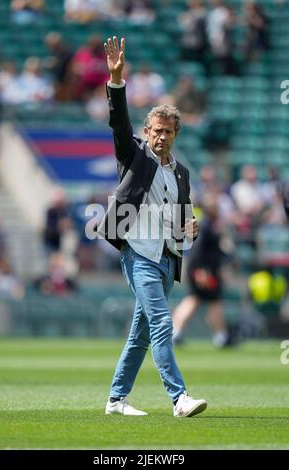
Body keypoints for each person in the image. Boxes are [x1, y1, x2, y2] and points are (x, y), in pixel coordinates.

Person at [98, 37, 207, 417]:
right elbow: (118, 121)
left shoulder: (182, 173)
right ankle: (179, 399)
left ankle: (115, 399)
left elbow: (180, 221)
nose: (161, 137)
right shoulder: (133, 156)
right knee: (162, 322)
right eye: (156, 130)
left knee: (140, 335)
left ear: (176, 135)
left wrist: (188, 229)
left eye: (168, 132)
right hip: (138, 256)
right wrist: (116, 81)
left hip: (165, 260)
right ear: (147, 132)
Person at [173, 194, 233, 348]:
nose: (218, 209)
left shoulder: (209, 225)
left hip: (205, 270)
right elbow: (197, 252)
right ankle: (220, 336)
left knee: (205, 301)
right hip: (202, 271)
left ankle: (221, 336)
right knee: (199, 301)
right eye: (215, 206)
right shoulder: (204, 226)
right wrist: (201, 271)